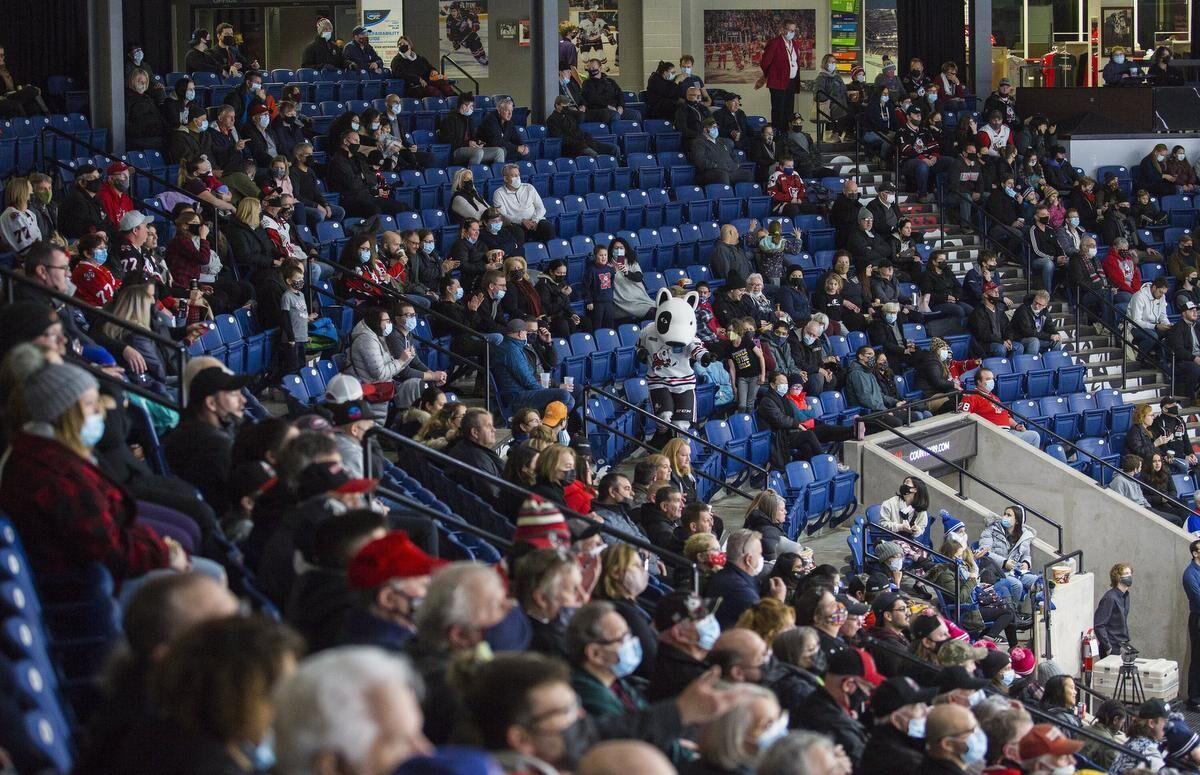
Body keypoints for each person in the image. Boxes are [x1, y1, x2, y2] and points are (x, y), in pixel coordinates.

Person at [799, 647, 869, 765]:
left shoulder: (814, 700)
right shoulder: (836, 726)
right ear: (848, 685)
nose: (868, 695)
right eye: (867, 688)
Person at [647, 590, 721, 701]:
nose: (711, 621)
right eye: (702, 619)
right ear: (679, 634)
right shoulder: (691, 679)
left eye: (709, 615)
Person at [857, 676, 935, 775]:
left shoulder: (878, 742)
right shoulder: (906, 763)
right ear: (897, 719)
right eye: (917, 706)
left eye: (924, 704)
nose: (926, 710)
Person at [958, 369, 1041, 446]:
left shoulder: (994, 397)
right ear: (979, 381)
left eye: (992, 378)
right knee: (1034, 437)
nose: (991, 381)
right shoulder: (971, 396)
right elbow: (963, 416)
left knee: (1033, 436)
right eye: (988, 379)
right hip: (992, 435)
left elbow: (1006, 415)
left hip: (1007, 432)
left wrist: (1016, 425)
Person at [1109, 453, 1184, 526]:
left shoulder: (1134, 479)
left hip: (1147, 508)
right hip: (1139, 512)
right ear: (1135, 469)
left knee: (1182, 509)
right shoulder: (1119, 481)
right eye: (1140, 467)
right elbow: (1118, 504)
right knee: (1176, 520)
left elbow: (1141, 497)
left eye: (1159, 461)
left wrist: (1149, 508)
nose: (1141, 469)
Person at [898, 104, 952, 203]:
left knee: (950, 161)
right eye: (915, 114)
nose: (919, 116)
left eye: (920, 114)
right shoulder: (902, 131)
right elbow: (907, 150)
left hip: (928, 160)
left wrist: (934, 157)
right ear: (908, 116)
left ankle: (944, 193)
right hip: (908, 162)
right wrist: (923, 158)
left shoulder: (924, 130)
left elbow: (935, 146)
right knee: (922, 165)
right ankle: (922, 195)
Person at [756, 20, 804, 131]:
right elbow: (765, 63)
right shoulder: (774, 43)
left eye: (794, 30)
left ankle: (787, 134)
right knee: (779, 110)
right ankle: (777, 135)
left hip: (791, 81)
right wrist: (771, 75)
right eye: (790, 30)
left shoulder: (794, 44)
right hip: (778, 82)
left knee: (789, 110)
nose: (792, 32)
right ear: (782, 30)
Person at [493, 164, 554, 242]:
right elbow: (503, 216)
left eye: (518, 175)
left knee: (548, 228)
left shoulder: (529, 187)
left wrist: (534, 220)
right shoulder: (498, 193)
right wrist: (521, 221)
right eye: (513, 176)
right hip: (516, 224)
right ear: (506, 178)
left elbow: (541, 208)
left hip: (535, 222)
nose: (517, 178)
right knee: (518, 233)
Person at [1111, 699, 1170, 772]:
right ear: (1151, 723)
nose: (1168, 727)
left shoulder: (1133, 741)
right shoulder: (1149, 753)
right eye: (1165, 722)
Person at [690, 118, 753, 186]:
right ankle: (727, 194)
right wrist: (716, 165)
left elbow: (733, 155)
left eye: (716, 127)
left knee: (748, 174)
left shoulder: (722, 141)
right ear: (705, 129)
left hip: (728, 171)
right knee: (723, 176)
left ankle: (741, 195)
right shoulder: (699, 142)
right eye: (713, 127)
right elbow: (700, 161)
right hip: (710, 172)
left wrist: (736, 164)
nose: (716, 129)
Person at [968, 282, 1023, 358]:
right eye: (994, 292)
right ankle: (999, 368)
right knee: (1001, 349)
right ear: (985, 295)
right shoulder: (978, 312)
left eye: (998, 292)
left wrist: (1009, 339)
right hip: (986, 344)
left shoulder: (999, 310)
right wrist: (1002, 342)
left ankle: (1009, 366)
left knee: (1019, 347)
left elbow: (1008, 327)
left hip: (1002, 341)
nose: (997, 294)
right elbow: (983, 334)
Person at [1093, 563, 1133, 660]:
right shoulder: (1110, 598)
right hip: (1112, 646)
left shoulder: (1125, 596)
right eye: (1126, 573)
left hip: (1123, 644)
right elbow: (1099, 624)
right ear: (1118, 577)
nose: (1130, 576)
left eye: (1130, 573)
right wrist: (1108, 647)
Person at [581, 58, 639, 123]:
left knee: (635, 114)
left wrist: (621, 106)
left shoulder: (610, 81)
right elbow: (593, 99)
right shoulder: (586, 83)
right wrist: (607, 106)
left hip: (615, 109)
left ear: (600, 68)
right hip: (599, 110)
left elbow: (619, 94)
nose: (591, 70)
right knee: (614, 115)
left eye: (593, 67)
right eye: (590, 68)